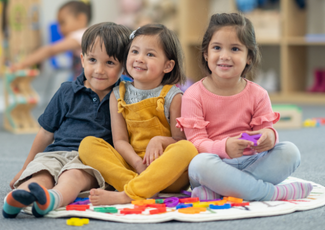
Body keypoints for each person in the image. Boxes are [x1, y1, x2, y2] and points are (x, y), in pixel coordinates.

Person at [176, 13, 313, 201]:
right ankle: (270, 193)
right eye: (217, 48)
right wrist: (225, 147)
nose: (225, 56)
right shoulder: (193, 94)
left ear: (249, 56)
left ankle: (222, 191)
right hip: (214, 164)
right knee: (198, 164)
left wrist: (269, 137)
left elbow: (265, 131)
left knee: (290, 152)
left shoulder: (258, 94)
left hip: (252, 162)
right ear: (206, 54)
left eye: (234, 49)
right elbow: (196, 143)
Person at [2, 22, 131, 218]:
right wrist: (24, 168)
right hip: (56, 153)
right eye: (93, 60)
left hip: (90, 161)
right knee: (41, 173)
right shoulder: (66, 91)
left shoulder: (124, 95)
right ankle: (20, 196)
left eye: (110, 63)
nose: (99, 70)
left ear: (124, 66)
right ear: (82, 59)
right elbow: (46, 132)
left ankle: (53, 199)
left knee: (73, 176)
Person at [78, 24, 198, 205]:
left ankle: (128, 194)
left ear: (168, 65)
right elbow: (120, 141)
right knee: (88, 145)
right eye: (134, 51)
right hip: (133, 166)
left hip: (167, 174)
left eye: (150, 54)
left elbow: (180, 140)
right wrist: (136, 163)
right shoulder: (117, 94)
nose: (139, 59)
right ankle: (142, 188)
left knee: (188, 150)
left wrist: (159, 140)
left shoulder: (174, 96)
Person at [11, 1, 92, 80]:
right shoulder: (87, 35)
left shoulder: (80, 35)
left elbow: (50, 50)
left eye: (62, 23)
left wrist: (22, 64)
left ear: (81, 19)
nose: (60, 29)